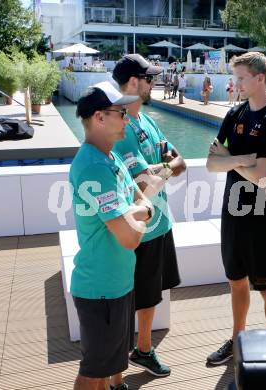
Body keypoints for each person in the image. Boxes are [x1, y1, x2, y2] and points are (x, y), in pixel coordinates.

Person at [70, 81, 154, 390]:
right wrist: (144, 213)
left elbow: (139, 199)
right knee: (93, 373)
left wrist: (138, 212)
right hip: (100, 289)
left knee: (106, 368)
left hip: (118, 284)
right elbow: (130, 238)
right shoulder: (94, 166)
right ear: (98, 117)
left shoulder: (111, 157)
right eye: (120, 112)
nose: (128, 118)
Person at [206, 52, 266, 365]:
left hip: (261, 217)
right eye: (235, 77)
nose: (235, 83)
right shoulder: (235, 114)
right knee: (236, 280)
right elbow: (213, 163)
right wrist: (242, 161)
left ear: (259, 78)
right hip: (232, 211)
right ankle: (237, 339)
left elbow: (264, 176)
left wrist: (231, 159)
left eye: (241, 78)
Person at [112, 54, 187, 377]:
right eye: (150, 78)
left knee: (150, 296)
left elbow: (179, 162)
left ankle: (143, 350)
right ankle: (115, 368)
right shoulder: (122, 125)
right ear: (133, 83)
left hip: (159, 223)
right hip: (139, 228)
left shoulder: (147, 119)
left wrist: (162, 168)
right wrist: (165, 167)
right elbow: (141, 185)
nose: (155, 83)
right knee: (129, 300)